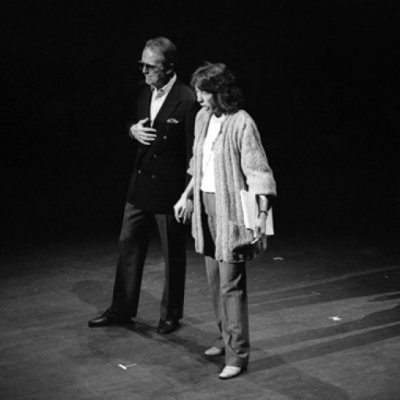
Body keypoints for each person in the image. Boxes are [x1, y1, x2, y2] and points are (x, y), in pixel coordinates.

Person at [88, 37, 199, 334]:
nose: (145, 72)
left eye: (151, 66)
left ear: (169, 67)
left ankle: (171, 314)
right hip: (140, 186)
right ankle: (122, 308)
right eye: (142, 65)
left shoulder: (187, 100)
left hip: (170, 190)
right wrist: (131, 130)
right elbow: (127, 121)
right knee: (128, 246)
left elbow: (193, 153)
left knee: (173, 253)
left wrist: (188, 195)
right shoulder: (141, 93)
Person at [174, 62, 277, 379]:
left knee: (231, 283)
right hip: (206, 204)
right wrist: (186, 195)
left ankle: (237, 355)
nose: (199, 99)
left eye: (203, 93)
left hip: (231, 208)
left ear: (219, 93)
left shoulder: (241, 122)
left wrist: (261, 216)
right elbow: (198, 163)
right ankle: (224, 337)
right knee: (214, 279)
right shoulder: (204, 118)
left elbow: (258, 172)